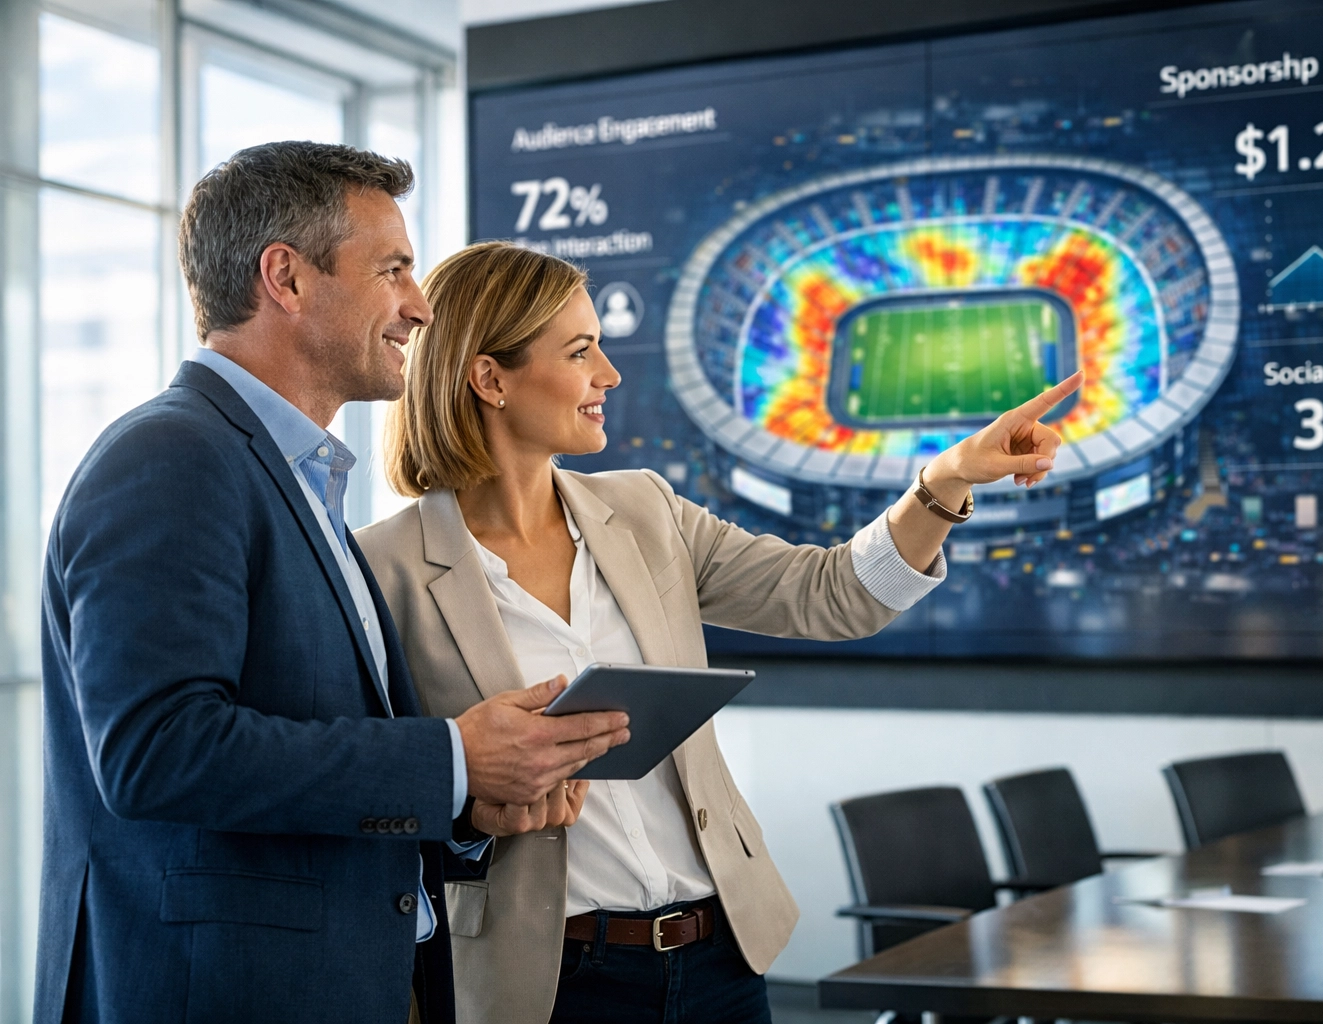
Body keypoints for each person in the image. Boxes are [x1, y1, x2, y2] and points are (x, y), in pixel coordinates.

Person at [358, 241, 1081, 1024]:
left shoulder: (644, 509)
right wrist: (472, 803)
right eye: (580, 351)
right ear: (490, 378)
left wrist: (942, 484)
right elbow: (372, 796)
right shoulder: (380, 568)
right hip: (544, 983)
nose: (609, 374)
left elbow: (831, 594)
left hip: (717, 959)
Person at [34, 144, 629, 1024]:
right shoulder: (170, 459)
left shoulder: (301, 479)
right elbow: (156, 751)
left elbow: (314, 743)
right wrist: (454, 758)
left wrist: (467, 805)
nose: (420, 307)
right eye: (392, 269)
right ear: (287, 278)